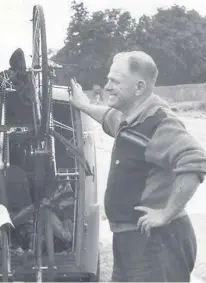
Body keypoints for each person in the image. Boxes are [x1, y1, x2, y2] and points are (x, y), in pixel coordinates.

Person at [69, 51, 206, 282]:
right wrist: (84, 106)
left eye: (115, 81)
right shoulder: (130, 119)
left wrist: (165, 213)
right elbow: (108, 117)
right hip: (131, 242)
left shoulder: (159, 122)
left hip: (156, 242)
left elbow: (195, 161)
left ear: (139, 87)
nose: (107, 86)